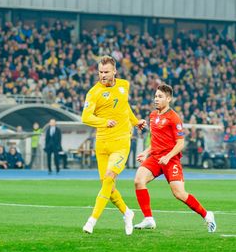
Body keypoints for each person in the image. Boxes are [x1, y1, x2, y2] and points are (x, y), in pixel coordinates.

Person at [133, 84, 216, 233]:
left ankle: (207, 214)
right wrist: (146, 152)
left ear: (168, 99)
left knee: (179, 193)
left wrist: (168, 156)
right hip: (156, 158)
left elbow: (180, 143)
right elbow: (156, 140)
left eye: (160, 97)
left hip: (171, 160)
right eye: (155, 96)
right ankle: (148, 219)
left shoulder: (174, 118)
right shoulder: (153, 116)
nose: (156, 99)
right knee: (139, 180)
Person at [81, 56, 146, 235]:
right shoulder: (93, 93)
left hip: (121, 142)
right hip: (101, 144)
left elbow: (125, 107)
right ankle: (127, 212)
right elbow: (86, 117)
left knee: (109, 177)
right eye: (100, 72)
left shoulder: (124, 85)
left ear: (114, 71)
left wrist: (135, 122)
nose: (103, 75)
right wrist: (103, 122)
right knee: (108, 187)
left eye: (106, 72)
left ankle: (91, 221)